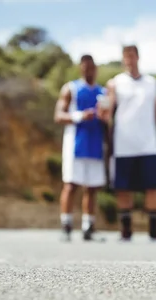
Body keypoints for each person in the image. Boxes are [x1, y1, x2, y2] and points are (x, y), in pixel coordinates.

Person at [100, 44, 156, 242]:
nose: (129, 59)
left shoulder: (152, 83)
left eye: (132, 55)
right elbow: (107, 112)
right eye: (125, 56)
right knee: (123, 188)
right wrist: (103, 116)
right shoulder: (115, 83)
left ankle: (154, 230)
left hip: (148, 143)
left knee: (152, 187)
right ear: (123, 59)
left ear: (138, 57)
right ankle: (125, 230)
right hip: (123, 144)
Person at [53, 54, 110, 242]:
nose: (88, 71)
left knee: (92, 188)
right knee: (71, 185)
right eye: (85, 67)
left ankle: (88, 227)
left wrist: (105, 119)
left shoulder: (103, 93)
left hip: (96, 145)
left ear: (96, 69)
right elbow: (59, 116)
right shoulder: (70, 88)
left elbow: (108, 121)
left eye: (91, 67)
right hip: (75, 144)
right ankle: (66, 226)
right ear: (80, 68)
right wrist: (79, 116)